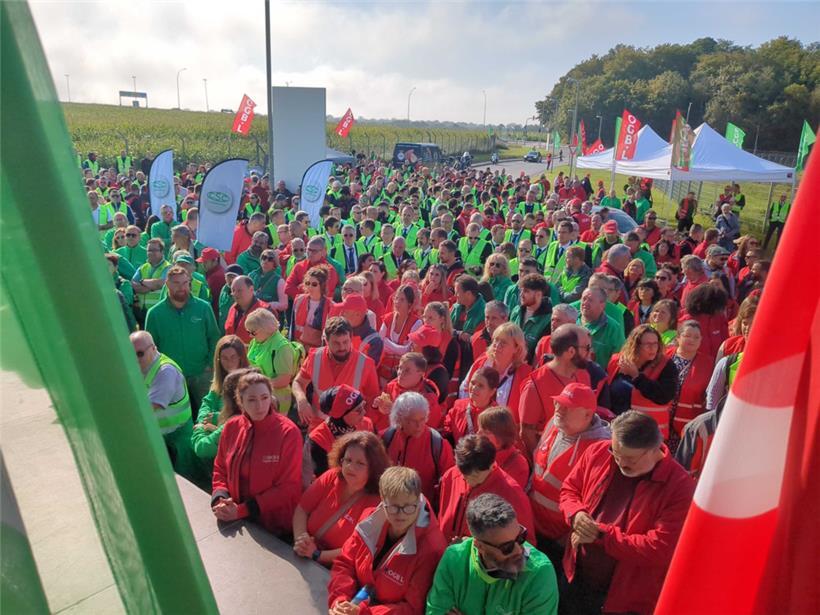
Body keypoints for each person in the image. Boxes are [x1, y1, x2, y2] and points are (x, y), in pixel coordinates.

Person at [559, 411, 695, 615]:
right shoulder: (599, 452)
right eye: (615, 452)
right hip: (575, 576)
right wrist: (576, 514)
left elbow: (660, 548)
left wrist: (601, 535)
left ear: (654, 449)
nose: (620, 462)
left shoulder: (680, 488)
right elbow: (570, 489)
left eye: (630, 458)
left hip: (625, 601)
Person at [328, 467, 447, 614]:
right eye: (394, 507)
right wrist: (340, 600)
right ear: (382, 500)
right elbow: (345, 563)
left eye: (409, 507)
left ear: (418, 500)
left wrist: (364, 613)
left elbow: (412, 609)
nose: (401, 515)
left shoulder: (431, 549)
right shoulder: (369, 520)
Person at [427, 493, 558, 615]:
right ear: (479, 545)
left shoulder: (539, 572)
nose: (519, 550)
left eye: (521, 537)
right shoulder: (454, 559)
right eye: (507, 547)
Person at [211, 372, 302, 535]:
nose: (259, 406)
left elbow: (288, 487)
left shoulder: (288, 433)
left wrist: (242, 510)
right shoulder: (232, 427)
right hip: (238, 518)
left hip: (275, 527)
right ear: (241, 402)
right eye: (251, 400)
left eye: (264, 398)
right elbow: (220, 468)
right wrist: (221, 498)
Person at [530, 382, 610, 562]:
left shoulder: (600, 449)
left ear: (588, 415)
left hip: (559, 540)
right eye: (558, 403)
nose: (559, 410)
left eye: (568, 407)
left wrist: (567, 538)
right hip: (534, 526)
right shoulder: (554, 424)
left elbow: (594, 503)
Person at [294, 431, 389, 567]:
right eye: (348, 460)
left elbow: (357, 548)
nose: (351, 467)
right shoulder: (331, 476)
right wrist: (301, 540)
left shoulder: (377, 504)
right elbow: (302, 508)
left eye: (360, 463)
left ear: (373, 468)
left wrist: (317, 555)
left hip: (333, 571)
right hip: (303, 554)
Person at [145, 266, 220, 412]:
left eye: (185, 283)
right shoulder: (155, 314)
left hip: (201, 373)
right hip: (170, 376)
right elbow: (151, 347)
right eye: (176, 283)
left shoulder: (203, 308)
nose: (182, 287)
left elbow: (214, 336)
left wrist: (210, 364)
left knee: (207, 414)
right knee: (176, 416)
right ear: (167, 284)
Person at [130, 331, 201, 482]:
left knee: (187, 483)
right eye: (131, 353)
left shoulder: (165, 372)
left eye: (140, 353)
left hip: (178, 437)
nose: (135, 358)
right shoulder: (140, 366)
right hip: (162, 435)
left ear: (153, 349)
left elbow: (150, 407)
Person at [437, 434, 535, 544]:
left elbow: (527, 544)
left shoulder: (512, 495)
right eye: (464, 475)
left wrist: (470, 546)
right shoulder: (451, 475)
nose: (468, 481)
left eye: (475, 476)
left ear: (492, 465)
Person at [293, 317, 380, 428]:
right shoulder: (315, 357)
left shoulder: (366, 364)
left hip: (351, 429)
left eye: (345, 342)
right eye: (336, 343)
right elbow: (298, 382)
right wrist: (301, 400)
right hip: (319, 427)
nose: (342, 347)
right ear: (326, 341)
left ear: (351, 338)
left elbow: (372, 400)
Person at [518, 324, 593, 454]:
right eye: (587, 348)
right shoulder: (534, 386)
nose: (590, 352)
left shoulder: (583, 375)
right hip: (549, 456)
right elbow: (526, 433)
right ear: (571, 352)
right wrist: (542, 462)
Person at [380, 392, 455, 504]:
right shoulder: (385, 438)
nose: (419, 425)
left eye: (423, 419)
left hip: (421, 512)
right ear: (400, 419)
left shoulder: (438, 444)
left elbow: (450, 484)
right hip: (387, 507)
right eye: (413, 421)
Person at [606, 325, 678, 436]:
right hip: (617, 429)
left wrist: (636, 376)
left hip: (647, 435)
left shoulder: (666, 365)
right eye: (648, 344)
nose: (653, 348)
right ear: (635, 345)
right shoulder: (617, 361)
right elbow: (606, 392)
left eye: (655, 344)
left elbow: (664, 397)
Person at [191, 336, 249, 468]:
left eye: (233, 357)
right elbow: (207, 401)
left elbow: (202, 448)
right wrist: (203, 421)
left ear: (241, 357)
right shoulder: (220, 380)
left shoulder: (249, 383)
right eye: (224, 358)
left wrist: (216, 420)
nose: (229, 363)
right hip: (219, 434)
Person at [304, 385, 374, 484]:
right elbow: (325, 480)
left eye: (363, 405)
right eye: (358, 410)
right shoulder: (318, 440)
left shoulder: (367, 424)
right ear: (341, 415)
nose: (364, 412)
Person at [460, 323, 532, 417]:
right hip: (473, 420)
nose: (497, 345)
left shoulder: (525, 374)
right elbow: (464, 389)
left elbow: (526, 410)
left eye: (503, 343)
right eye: (496, 340)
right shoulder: (481, 362)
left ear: (517, 348)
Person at [667, 320, 713, 445]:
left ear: (700, 340)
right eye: (687, 336)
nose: (691, 340)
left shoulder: (708, 364)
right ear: (678, 337)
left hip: (686, 421)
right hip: (662, 418)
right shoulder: (665, 356)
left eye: (696, 337)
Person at [244, 308, 297, 415]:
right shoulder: (257, 340)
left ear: (265, 329)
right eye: (248, 332)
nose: (250, 335)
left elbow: (284, 380)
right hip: (259, 396)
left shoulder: (282, 347)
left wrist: (258, 384)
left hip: (277, 401)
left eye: (252, 332)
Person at [373, 353, 443, 432]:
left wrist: (395, 412)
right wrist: (377, 408)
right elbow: (376, 421)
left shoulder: (429, 399)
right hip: (386, 439)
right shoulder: (390, 387)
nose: (400, 373)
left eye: (407, 370)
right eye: (399, 368)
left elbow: (424, 431)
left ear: (421, 374)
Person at [377, 284, 422, 382]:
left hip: (403, 374)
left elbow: (408, 351)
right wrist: (399, 348)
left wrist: (387, 342)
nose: (397, 302)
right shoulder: (388, 318)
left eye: (402, 300)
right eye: (396, 298)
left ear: (409, 304)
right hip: (383, 371)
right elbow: (380, 343)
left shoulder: (416, 323)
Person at [444, 366, 500, 445]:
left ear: (492, 392)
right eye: (473, 383)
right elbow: (446, 430)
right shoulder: (459, 405)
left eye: (480, 386)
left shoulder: (498, 417)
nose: (474, 388)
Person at [477, 407, 529, 490]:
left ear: (501, 436)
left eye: (486, 432)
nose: (478, 434)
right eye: (479, 429)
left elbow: (506, 497)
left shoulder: (518, 465)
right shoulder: (477, 452)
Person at [578, 287, 625, 371]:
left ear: (602, 304)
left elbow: (619, 359)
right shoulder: (570, 321)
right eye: (584, 299)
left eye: (590, 300)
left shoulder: (613, 328)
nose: (585, 303)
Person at [681, 283, 729, 361]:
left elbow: (726, 343)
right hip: (694, 366)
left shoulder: (719, 319)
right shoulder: (686, 321)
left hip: (717, 365)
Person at [509, 274, 552, 361]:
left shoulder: (548, 320)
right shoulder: (516, 311)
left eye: (526, 291)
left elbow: (540, 350)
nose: (521, 294)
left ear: (538, 295)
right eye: (521, 291)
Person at [289, 266, 332, 350]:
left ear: (322, 285)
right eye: (307, 283)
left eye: (314, 284)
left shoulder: (330, 306)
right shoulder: (299, 300)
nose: (310, 287)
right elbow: (292, 326)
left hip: (317, 350)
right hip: (298, 347)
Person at [131, 237, 171, 325]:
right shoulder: (143, 267)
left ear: (162, 252)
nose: (151, 253)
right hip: (142, 312)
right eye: (149, 250)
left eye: (154, 250)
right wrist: (150, 287)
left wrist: (142, 281)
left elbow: (161, 283)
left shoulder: (168, 267)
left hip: (159, 311)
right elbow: (133, 284)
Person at [223, 275, 270, 344]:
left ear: (251, 289)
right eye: (233, 290)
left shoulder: (265, 311)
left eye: (239, 290)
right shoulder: (232, 309)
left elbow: (270, 343)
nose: (235, 294)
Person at [196, 247, 226, 314]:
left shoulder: (215, 277)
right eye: (202, 262)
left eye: (205, 262)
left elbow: (212, 299)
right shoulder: (214, 272)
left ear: (214, 261)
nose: (203, 265)